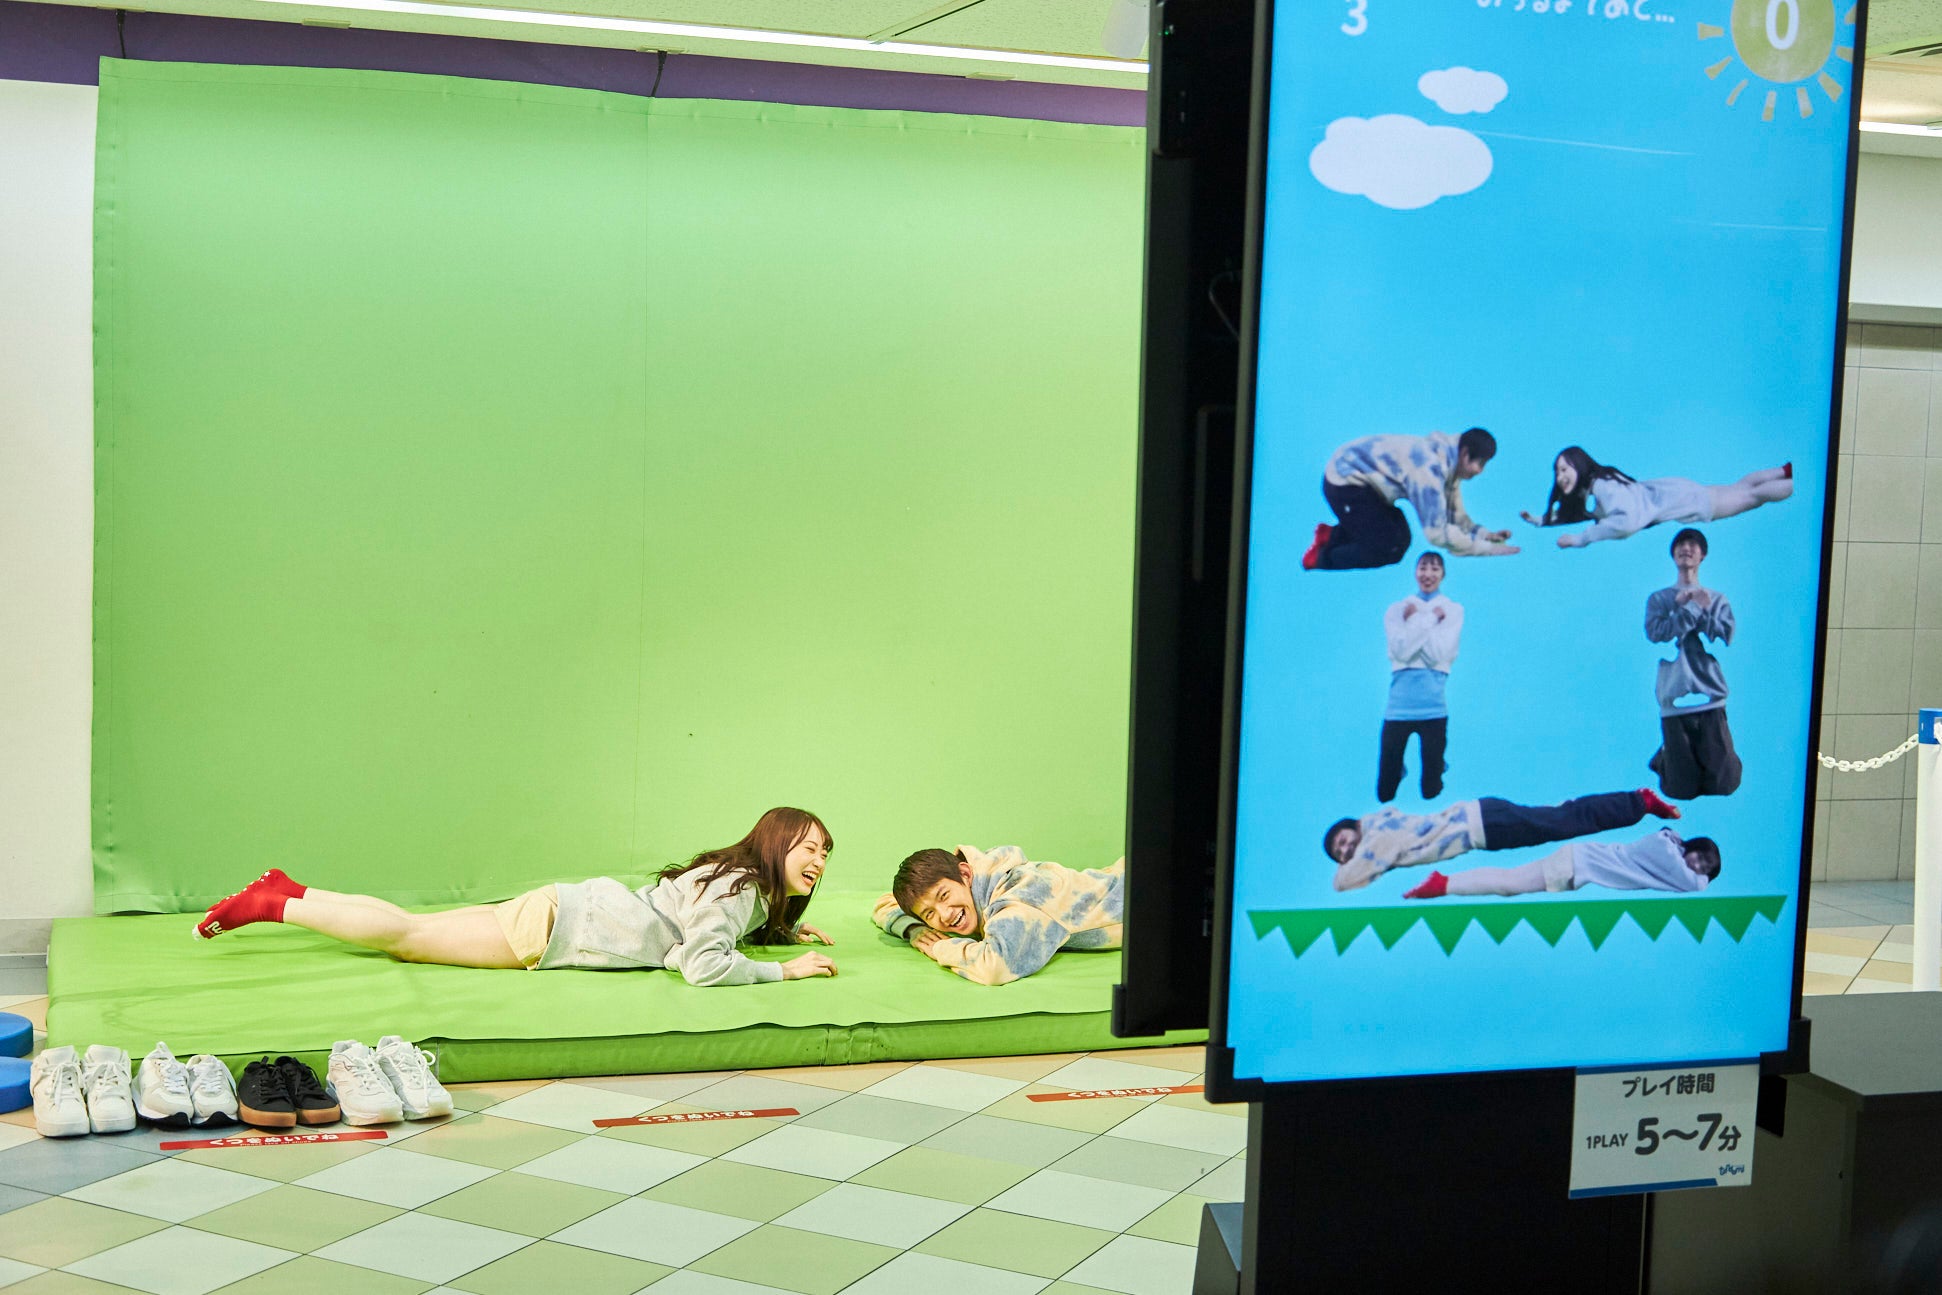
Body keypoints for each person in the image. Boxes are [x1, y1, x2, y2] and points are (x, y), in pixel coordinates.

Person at [194, 807, 839, 984]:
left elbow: (700, 927)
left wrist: (779, 932)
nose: (817, 861)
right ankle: (274, 906)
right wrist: (782, 970)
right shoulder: (740, 890)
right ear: (775, 843)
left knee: (412, 927)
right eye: (808, 848)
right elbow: (700, 964)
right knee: (408, 940)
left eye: (824, 853)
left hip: (568, 908)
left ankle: (291, 890)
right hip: (561, 928)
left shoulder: (739, 881)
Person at [1323, 787, 1682, 893]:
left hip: (1483, 824)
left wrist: (1347, 866)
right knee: (1559, 817)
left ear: (1352, 827)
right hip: (1484, 822)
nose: (1345, 850)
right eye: (1340, 853)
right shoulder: (1380, 828)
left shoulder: (1377, 836)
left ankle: (1638, 802)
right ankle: (1634, 803)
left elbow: (1345, 881)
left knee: (1562, 822)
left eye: (1342, 841)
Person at [873, 845, 1121, 985]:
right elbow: (885, 903)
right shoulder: (973, 876)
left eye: (944, 895)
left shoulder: (1021, 897)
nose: (944, 915)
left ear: (965, 874)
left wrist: (940, 948)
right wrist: (916, 930)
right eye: (929, 914)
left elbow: (995, 966)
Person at [1301, 427, 1519, 571]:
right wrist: (1485, 550)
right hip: (1344, 485)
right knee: (1389, 548)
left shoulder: (1448, 460)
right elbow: (1437, 534)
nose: (1480, 471)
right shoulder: (1430, 470)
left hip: (1365, 483)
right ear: (1464, 454)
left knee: (1401, 539)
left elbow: (1452, 512)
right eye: (1480, 463)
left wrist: (1484, 535)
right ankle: (1320, 558)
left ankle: (1330, 535)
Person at [1520, 447, 1792, 549]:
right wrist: (1540, 520)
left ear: (1578, 466)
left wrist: (1582, 539)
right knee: (1740, 489)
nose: (1560, 477)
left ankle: (1791, 483)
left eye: (1564, 469)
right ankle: (1784, 472)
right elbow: (1581, 513)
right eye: (1557, 471)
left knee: (1752, 497)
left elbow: (1627, 523)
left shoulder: (1603, 488)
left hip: (1684, 501)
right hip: (1679, 492)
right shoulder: (1599, 485)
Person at [1646, 528, 1743, 798]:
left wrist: (1704, 608)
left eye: (1693, 544)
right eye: (1680, 544)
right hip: (1674, 696)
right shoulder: (1659, 599)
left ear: (1703, 555)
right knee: (1680, 789)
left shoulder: (1717, 600)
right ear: (1672, 554)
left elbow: (1723, 638)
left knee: (1725, 782)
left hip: (1709, 694)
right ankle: (1663, 760)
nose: (1686, 548)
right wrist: (1689, 608)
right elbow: (1656, 635)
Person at [1401, 830, 1719, 899]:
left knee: (1509, 881)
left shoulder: (1668, 849)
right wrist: (1702, 878)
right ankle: (1444, 885)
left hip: (1577, 862)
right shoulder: (1664, 849)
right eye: (1701, 857)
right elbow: (1694, 885)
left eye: (1706, 868)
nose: (1698, 867)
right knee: (1509, 885)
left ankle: (1444, 882)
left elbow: (1692, 880)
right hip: (1577, 863)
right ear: (1693, 846)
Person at [1377, 552, 1463, 802]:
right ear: (1415, 572)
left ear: (1443, 574)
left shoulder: (1453, 609)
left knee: (1431, 790)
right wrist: (1430, 620)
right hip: (1398, 708)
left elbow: (1439, 655)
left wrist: (1415, 623)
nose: (1428, 574)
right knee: (1385, 791)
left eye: (1435, 569)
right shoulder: (1398, 609)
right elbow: (1401, 652)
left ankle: (1437, 768)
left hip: (1433, 707)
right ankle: (1398, 771)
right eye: (1423, 568)